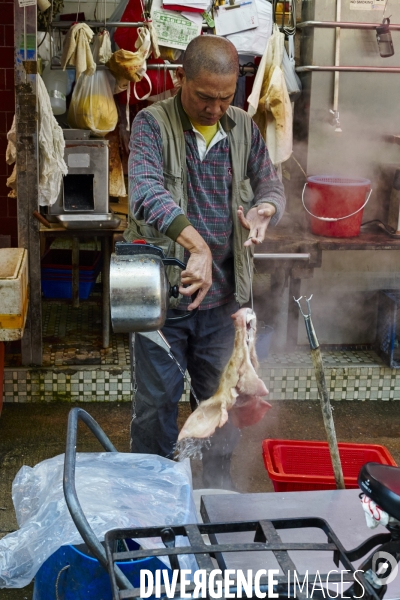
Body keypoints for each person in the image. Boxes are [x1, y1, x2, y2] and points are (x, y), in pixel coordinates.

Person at [125, 35, 286, 490]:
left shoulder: (242, 127)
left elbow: (270, 184)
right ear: (181, 80)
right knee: (156, 404)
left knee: (222, 401)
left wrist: (266, 209)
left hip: (222, 304)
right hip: (163, 301)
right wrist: (196, 246)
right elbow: (145, 191)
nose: (216, 108)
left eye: (225, 97)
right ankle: (151, 498)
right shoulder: (151, 124)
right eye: (204, 97)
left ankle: (215, 493)